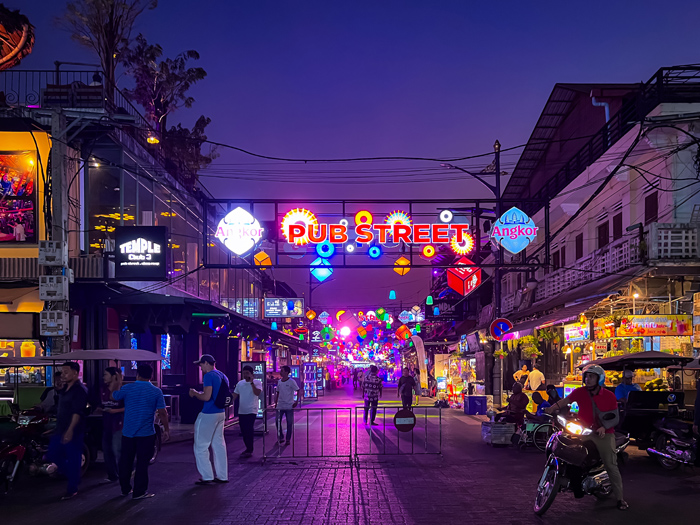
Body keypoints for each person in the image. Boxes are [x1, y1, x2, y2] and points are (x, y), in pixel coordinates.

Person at [546, 364, 628, 510]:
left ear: (599, 379)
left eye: (592, 376)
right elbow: (565, 401)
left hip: (604, 434)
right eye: (587, 376)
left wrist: (604, 427)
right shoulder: (579, 392)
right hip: (584, 431)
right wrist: (551, 408)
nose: (588, 379)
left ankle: (620, 498)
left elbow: (615, 418)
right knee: (571, 453)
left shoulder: (609, 396)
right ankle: (575, 485)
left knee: (611, 465)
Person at [111, 363, 170, 500]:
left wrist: (117, 382)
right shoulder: (156, 391)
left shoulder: (127, 388)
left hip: (128, 433)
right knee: (142, 464)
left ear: (137, 374)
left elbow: (115, 396)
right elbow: (163, 412)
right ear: (151, 375)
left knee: (126, 461)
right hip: (146, 434)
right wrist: (166, 430)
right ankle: (139, 492)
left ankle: (125, 489)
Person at [45, 362, 88, 500]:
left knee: (73, 457)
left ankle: (72, 488)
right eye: (62, 372)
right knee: (51, 453)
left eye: (66, 372)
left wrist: (70, 430)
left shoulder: (80, 390)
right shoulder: (65, 389)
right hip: (60, 428)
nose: (63, 375)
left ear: (75, 373)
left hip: (73, 430)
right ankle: (73, 476)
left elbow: (77, 412)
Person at [189, 355, 229, 485]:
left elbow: (206, 397)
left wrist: (194, 393)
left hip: (208, 414)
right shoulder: (223, 376)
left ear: (206, 363)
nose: (200, 368)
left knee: (201, 446)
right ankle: (222, 476)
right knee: (219, 445)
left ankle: (207, 476)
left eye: (201, 365)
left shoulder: (209, 376)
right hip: (221, 413)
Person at [99, 367, 124, 483]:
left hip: (118, 425)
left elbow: (128, 407)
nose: (104, 377)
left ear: (113, 376)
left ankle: (125, 473)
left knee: (117, 450)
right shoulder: (102, 389)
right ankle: (112, 475)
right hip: (106, 423)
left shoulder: (121, 390)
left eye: (106, 374)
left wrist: (115, 411)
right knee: (107, 451)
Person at [233, 365, 262, 458]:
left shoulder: (257, 382)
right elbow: (235, 395)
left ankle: (250, 449)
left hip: (251, 410)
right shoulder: (240, 383)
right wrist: (228, 402)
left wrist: (251, 383)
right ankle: (247, 448)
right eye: (244, 373)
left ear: (251, 374)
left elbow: (257, 393)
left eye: (247, 373)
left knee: (249, 429)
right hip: (242, 410)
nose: (245, 375)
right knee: (243, 430)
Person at [275, 365, 300, 445]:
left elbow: (298, 390)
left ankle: (288, 439)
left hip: (289, 405)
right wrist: (276, 402)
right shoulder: (279, 382)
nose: (280, 372)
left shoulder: (291, 382)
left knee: (289, 423)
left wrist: (296, 401)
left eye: (282, 371)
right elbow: (278, 392)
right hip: (280, 405)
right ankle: (281, 437)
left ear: (286, 372)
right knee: (277, 422)